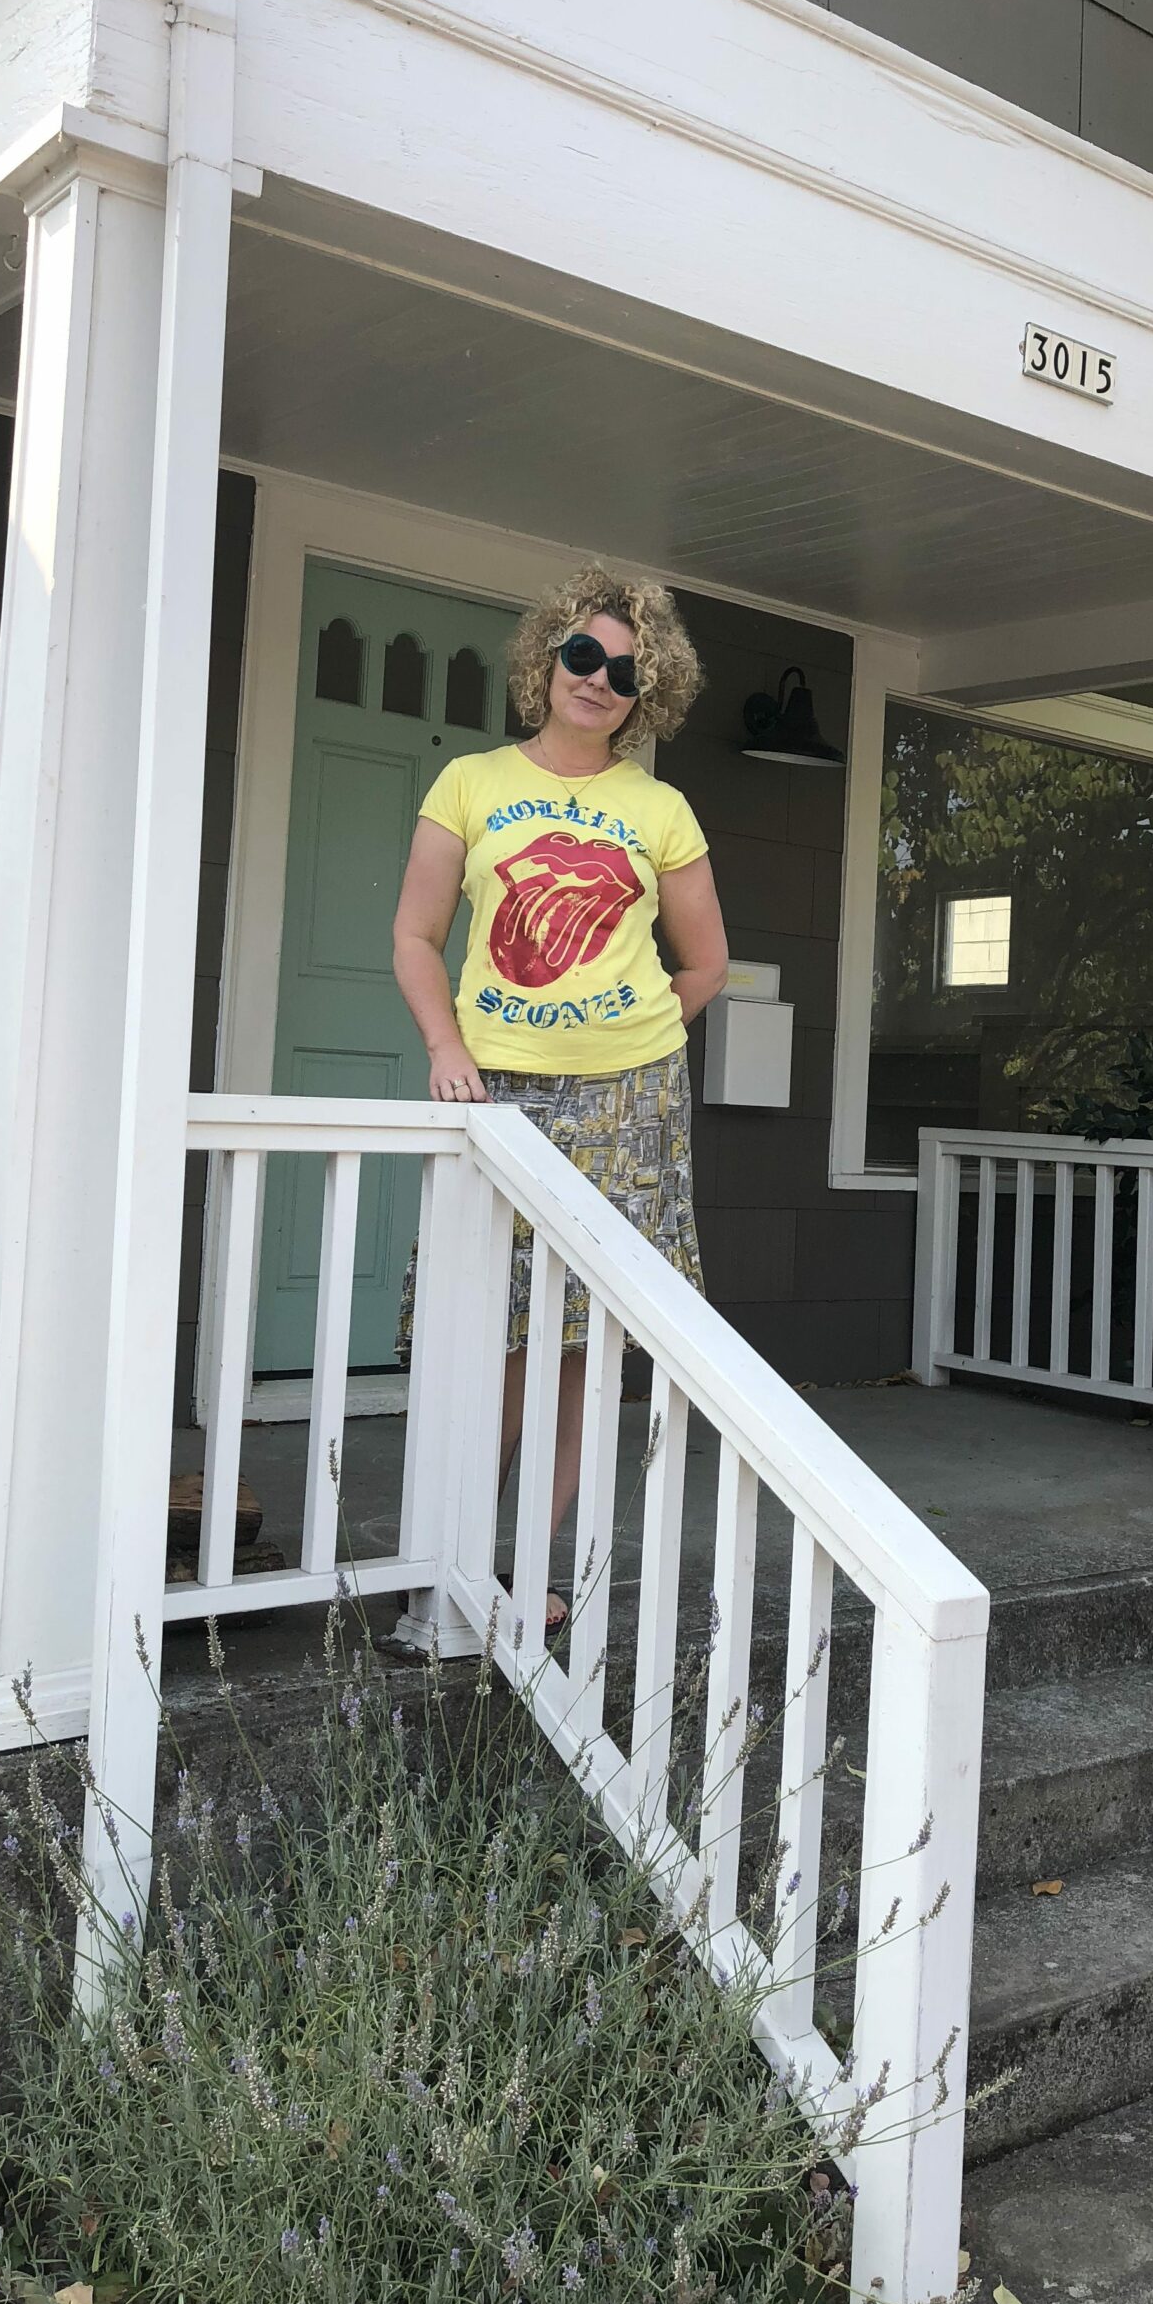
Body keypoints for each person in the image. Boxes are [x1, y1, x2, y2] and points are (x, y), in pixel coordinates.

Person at [392, 564, 728, 1628]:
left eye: (625, 672)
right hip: (496, 1090)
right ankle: (448, 1556)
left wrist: (633, 1036)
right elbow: (416, 935)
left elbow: (705, 963)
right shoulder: (470, 783)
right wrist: (447, 1044)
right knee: (489, 1330)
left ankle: (530, 1569)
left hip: (630, 1103)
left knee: (588, 1345)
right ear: (546, 660)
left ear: (645, 696)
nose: (598, 680)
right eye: (583, 656)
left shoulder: (660, 808)